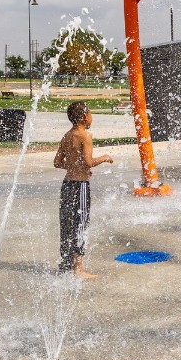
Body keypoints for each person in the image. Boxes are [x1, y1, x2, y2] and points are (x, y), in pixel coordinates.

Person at [53, 101, 113, 277]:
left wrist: (74, 168)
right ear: (83, 117)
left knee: (66, 223)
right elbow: (88, 161)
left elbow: (57, 162)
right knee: (81, 223)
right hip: (80, 186)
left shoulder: (67, 135)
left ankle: (65, 265)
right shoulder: (85, 136)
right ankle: (78, 269)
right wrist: (105, 157)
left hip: (67, 185)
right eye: (90, 114)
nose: (91, 117)